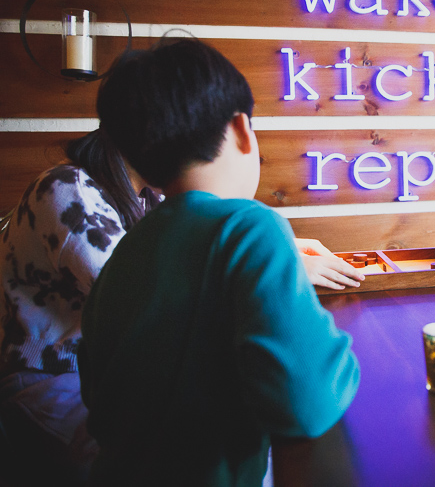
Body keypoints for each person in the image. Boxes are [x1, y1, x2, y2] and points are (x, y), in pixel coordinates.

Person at [79, 37, 360, 485]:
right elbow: (309, 401)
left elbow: (97, 395)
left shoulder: (127, 250)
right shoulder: (250, 226)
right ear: (241, 129)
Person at [0, 129, 158, 485]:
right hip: (44, 377)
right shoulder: (68, 188)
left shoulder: (148, 198)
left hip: (101, 379)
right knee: (169, 457)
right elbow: (142, 299)